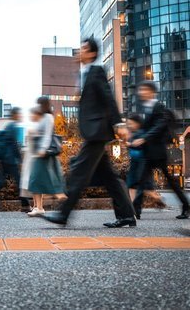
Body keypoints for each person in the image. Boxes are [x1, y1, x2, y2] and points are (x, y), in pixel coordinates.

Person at [42, 38, 136, 228]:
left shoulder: (96, 71)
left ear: (92, 53)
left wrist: (118, 123)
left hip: (98, 132)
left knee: (79, 173)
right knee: (110, 178)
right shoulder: (83, 73)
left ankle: (63, 214)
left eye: (84, 49)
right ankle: (127, 215)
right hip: (94, 132)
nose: (80, 51)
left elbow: (108, 98)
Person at [131, 81, 189, 219]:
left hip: (158, 152)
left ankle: (186, 206)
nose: (141, 92)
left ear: (151, 92)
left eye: (144, 89)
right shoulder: (146, 108)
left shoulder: (159, 107)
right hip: (149, 152)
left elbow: (159, 126)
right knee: (141, 181)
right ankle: (135, 211)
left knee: (170, 181)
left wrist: (144, 138)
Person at [0, 107, 31, 212]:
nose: (21, 116)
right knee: (19, 182)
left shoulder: (9, 126)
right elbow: (14, 145)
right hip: (10, 160)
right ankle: (26, 206)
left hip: (5, 159)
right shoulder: (13, 127)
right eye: (19, 114)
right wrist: (20, 159)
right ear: (15, 115)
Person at [26, 99, 65, 216]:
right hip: (38, 153)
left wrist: (43, 149)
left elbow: (47, 135)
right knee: (36, 180)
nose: (37, 106)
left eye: (38, 104)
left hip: (42, 153)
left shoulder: (48, 117)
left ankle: (56, 198)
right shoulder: (43, 117)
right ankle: (39, 207)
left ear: (43, 105)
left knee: (35, 180)